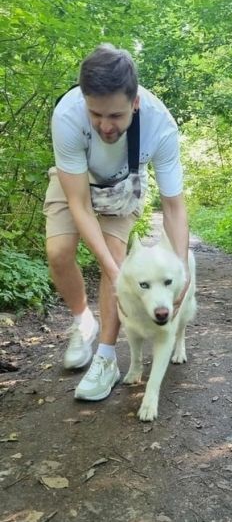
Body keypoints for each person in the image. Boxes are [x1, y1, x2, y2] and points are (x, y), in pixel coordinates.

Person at [43, 43, 190, 402]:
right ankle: (84, 323)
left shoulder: (161, 125)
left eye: (116, 116)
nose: (106, 126)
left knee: (116, 259)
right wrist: (113, 271)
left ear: (135, 103)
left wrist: (181, 269)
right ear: (84, 100)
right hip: (76, 180)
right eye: (96, 115)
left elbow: (174, 207)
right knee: (59, 253)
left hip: (123, 189)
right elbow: (78, 202)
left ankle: (106, 358)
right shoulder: (67, 116)